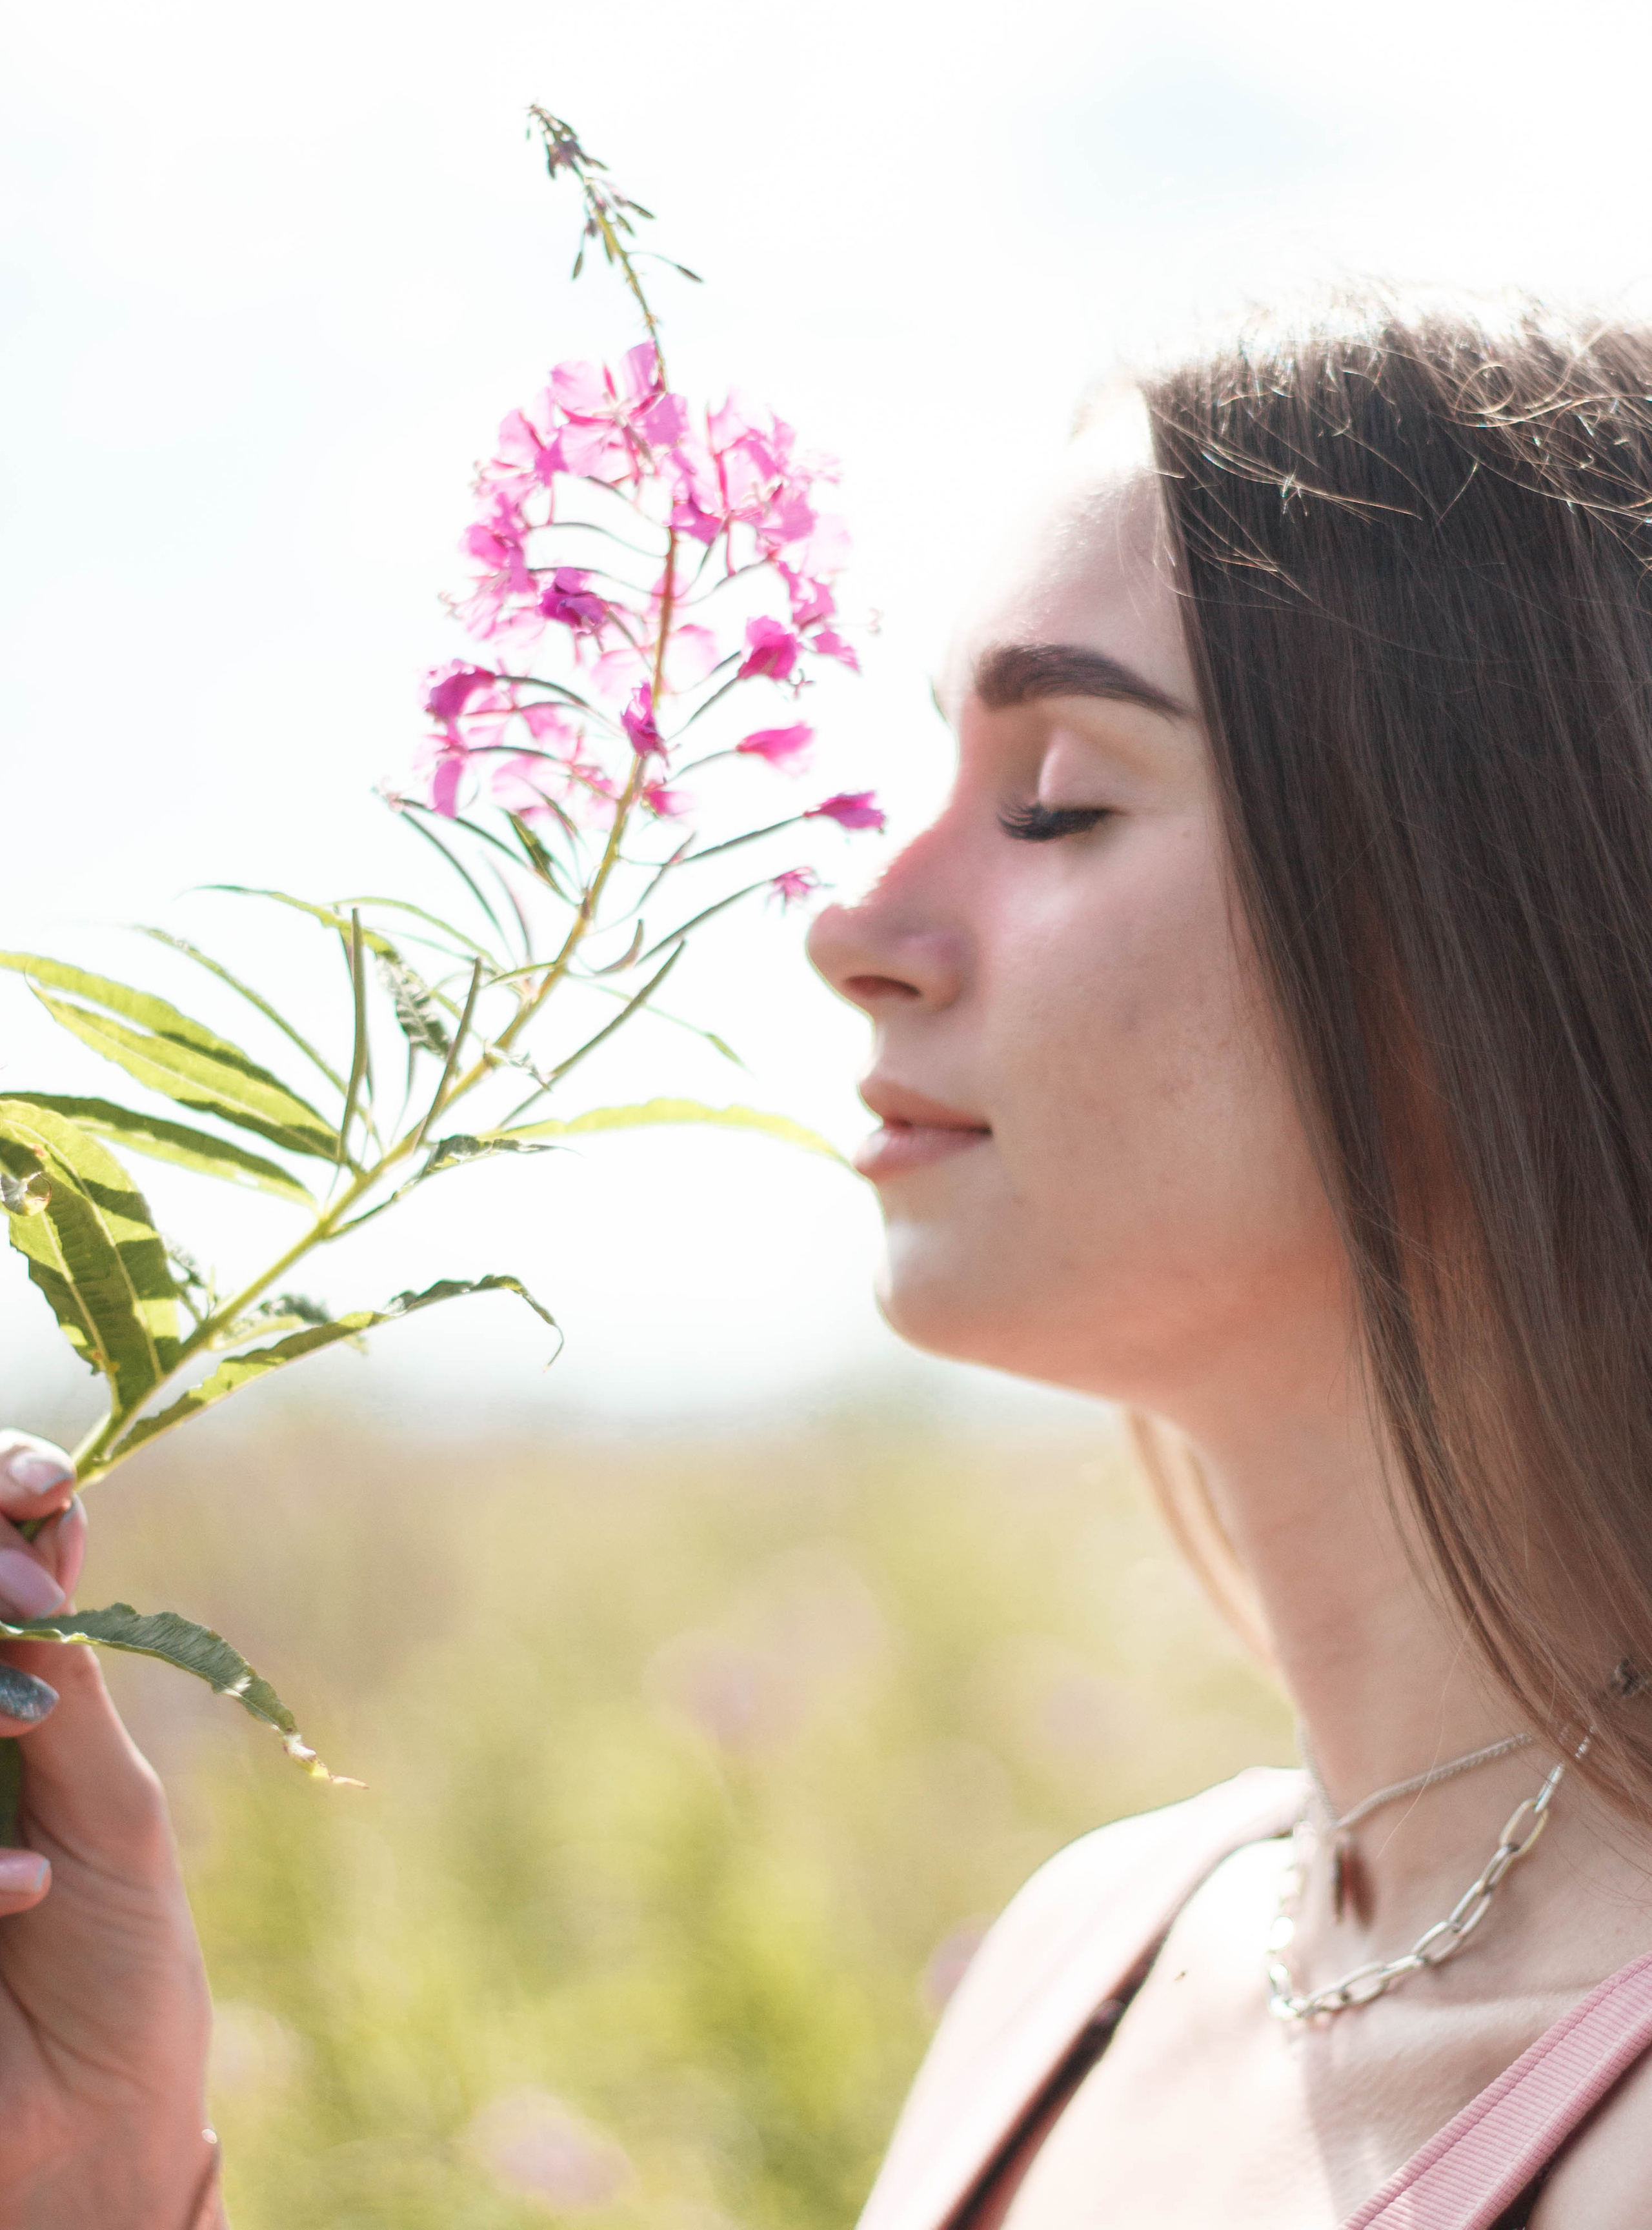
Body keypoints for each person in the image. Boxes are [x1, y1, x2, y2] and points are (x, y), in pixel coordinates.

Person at [10, 296, 1652, 2225]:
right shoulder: (1098, 1963)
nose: (853, 920)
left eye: (1061, 803)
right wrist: (96, 2174)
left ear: (1496, 937)